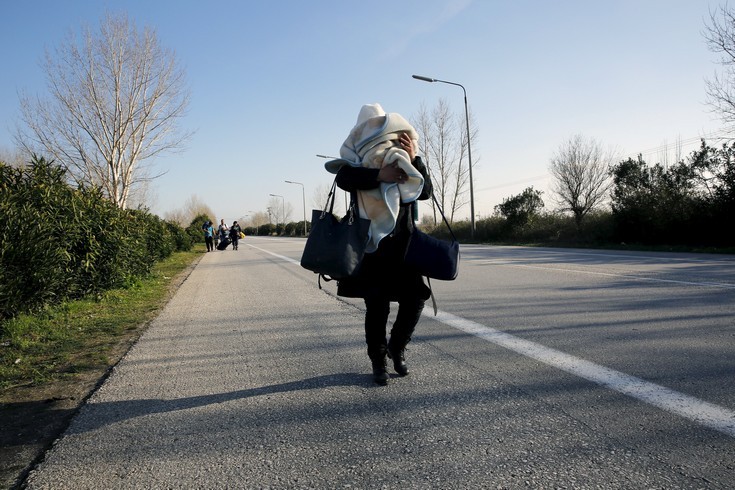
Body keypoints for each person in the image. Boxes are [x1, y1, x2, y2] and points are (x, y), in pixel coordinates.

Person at [326, 103, 433, 385]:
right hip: (371, 245)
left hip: (404, 244)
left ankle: (397, 348)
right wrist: (378, 176)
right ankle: (378, 361)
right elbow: (343, 180)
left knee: (416, 298)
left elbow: (425, 192)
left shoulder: (403, 156)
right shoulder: (355, 162)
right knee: (377, 306)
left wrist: (415, 159)